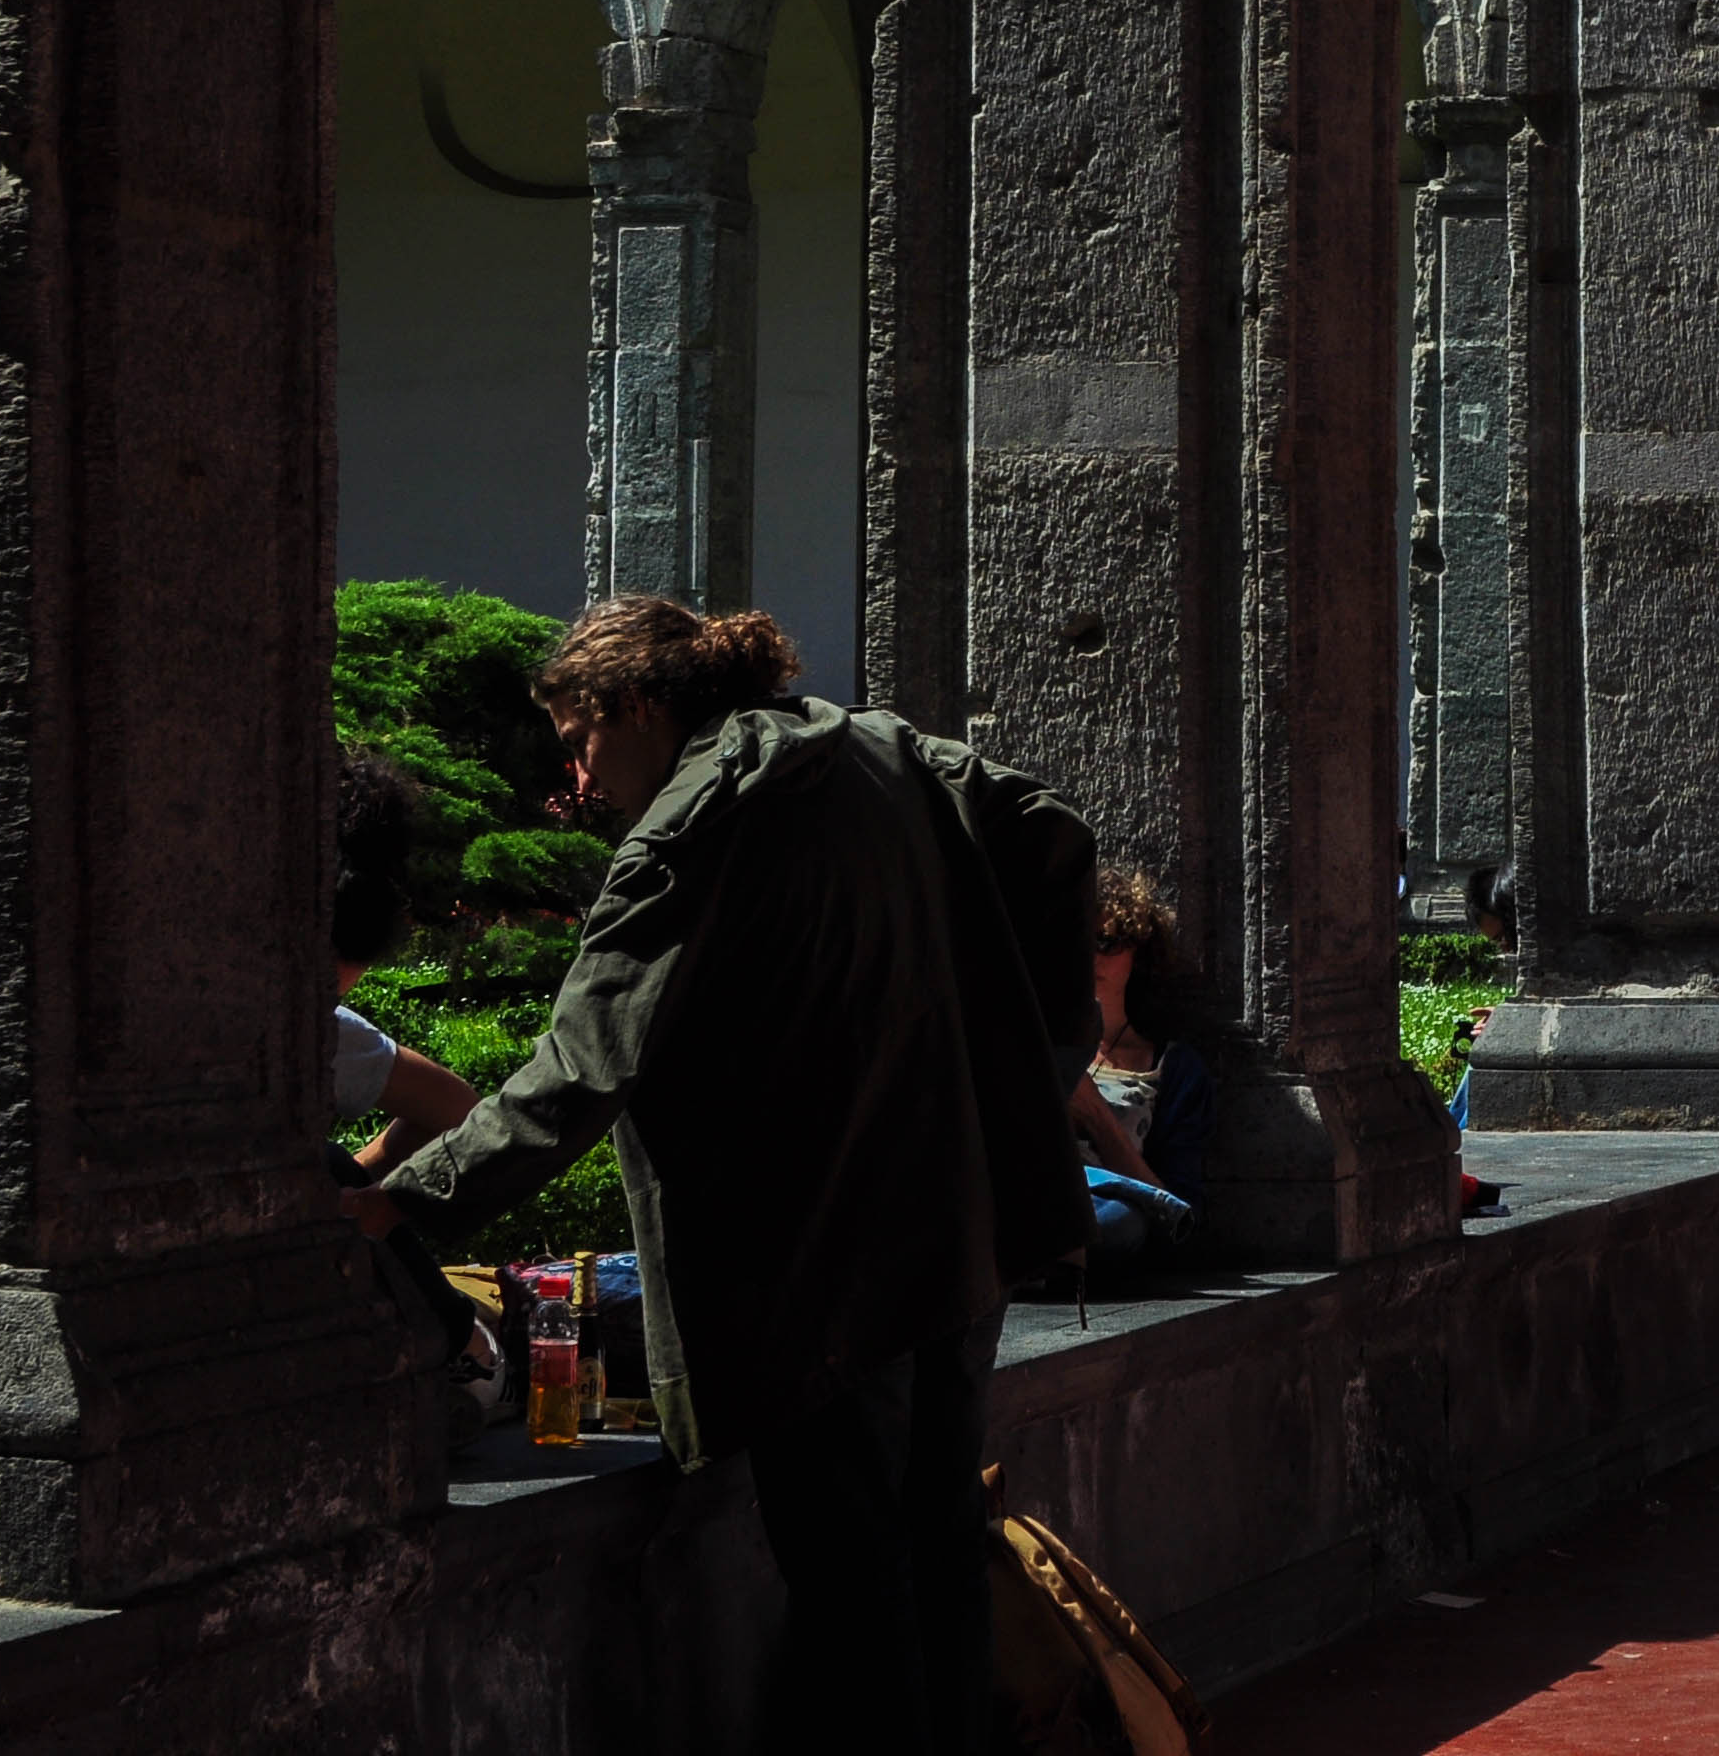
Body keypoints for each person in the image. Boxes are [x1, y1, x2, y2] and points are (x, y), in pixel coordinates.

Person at [355, 596, 1097, 1756]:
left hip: (818, 1262)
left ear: (639, 705)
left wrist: (400, 1199)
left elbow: (575, 1075)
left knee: (857, 1578)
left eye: (581, 744)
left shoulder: (694, 829)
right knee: (941, 1538)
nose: (580, 782)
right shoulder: (879, 747)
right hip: (959, 1220)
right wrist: (1029, 1070)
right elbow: (1053, 830)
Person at [328, 747, 483, 1172]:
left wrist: (354, 1184)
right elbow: (464, 1116)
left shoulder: (335, 1039)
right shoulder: (327, 1037)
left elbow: (463, 1116)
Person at [1069, 867, 1211, 1293]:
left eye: (1107, 942)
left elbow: (1176, 1216)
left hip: (1095, 1200)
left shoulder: (1172, 1067)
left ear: (1138, 951)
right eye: (1077, 941)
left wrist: (1097, 1117)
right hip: (1026, 1186)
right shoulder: (1032, 1040)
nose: (1090, 957)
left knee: (1122, 1221)